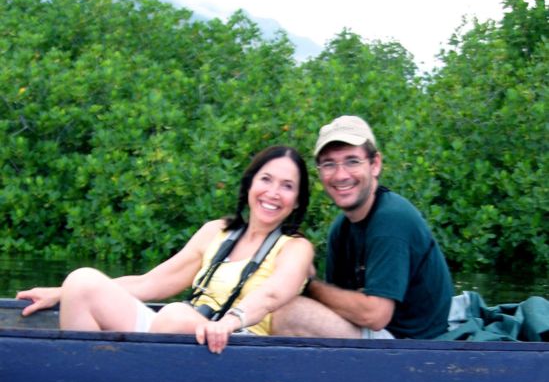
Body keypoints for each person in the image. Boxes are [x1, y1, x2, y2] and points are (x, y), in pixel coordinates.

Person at [16, 146, 314, 353]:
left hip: (231, 342)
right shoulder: (217, 231)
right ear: (249, 184)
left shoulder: (296, 248)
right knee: (82, 281)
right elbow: (150, 283)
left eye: (287, 186)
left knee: (175, 315)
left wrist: (228, 323)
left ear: (298, 200)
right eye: (266, 179)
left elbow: (272, 294)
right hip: (174, 330)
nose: (273, 193)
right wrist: (60, 292)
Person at [271, 115, 454, 340]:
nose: (340, 175)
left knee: (290, 314)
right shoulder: (341, 229)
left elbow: (375, 315)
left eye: (352, 161)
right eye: (329, 164)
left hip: (413, 349)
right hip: (378, 336)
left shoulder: (392, 219)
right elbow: (339, 301)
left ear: (375, 164)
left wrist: (307, 284)